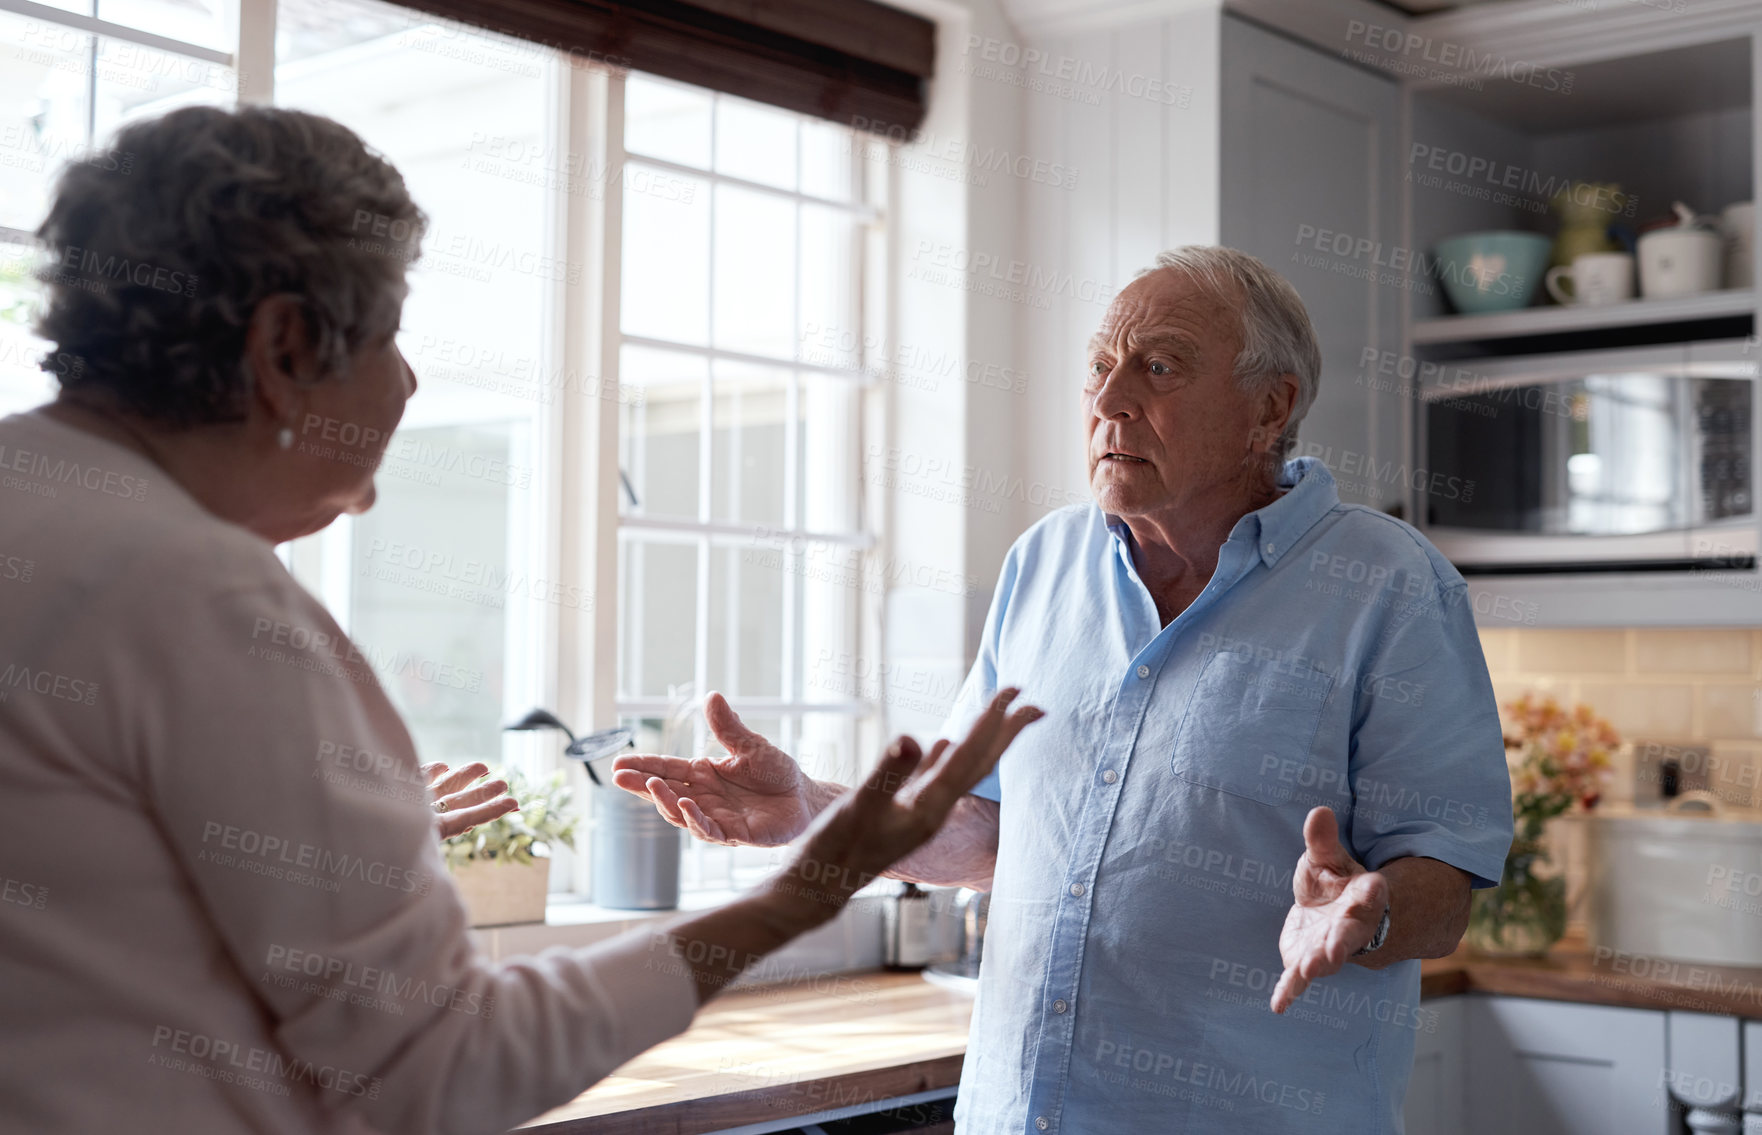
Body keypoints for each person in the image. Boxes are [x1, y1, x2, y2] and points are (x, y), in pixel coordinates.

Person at [0, 104, 1043, 1134]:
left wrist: (336, 826)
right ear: (283, 347)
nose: (407, 381)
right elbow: (447, 1069)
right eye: (391, 333)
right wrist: (797, 895)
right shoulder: (208, 601)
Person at [615, 246, 1516, 1133]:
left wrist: (1372, 910)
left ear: (1268, 408)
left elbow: (1445, 885)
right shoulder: (1043, 562)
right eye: (1099, 365)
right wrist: (814, 807)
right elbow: (989, 831)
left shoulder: (1390, 585)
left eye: (1158, 366)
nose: (1109, 397)